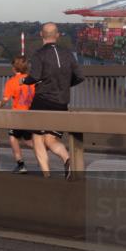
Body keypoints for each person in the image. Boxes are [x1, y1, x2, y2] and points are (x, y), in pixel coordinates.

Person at [21, 23, 83, 179]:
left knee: (37, 138)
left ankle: (47, 175)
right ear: (57, 35)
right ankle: (68, 159)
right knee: (51, 138)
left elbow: (34, 76)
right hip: (61, 102)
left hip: (42, 100)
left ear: (42, 35)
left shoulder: (39, 54)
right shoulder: (69, 54)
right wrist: (64, 86)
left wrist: (24, 81)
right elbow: (80, 77)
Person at [0, 55, 35, 174]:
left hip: (18, 116)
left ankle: (20, 164)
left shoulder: (12, 82)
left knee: (13, 137)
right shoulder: (33, 80)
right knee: (29, 140)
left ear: (14, 68)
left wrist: (0, 103)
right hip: (32, 115)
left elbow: (5, 99)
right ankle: (51, 148)